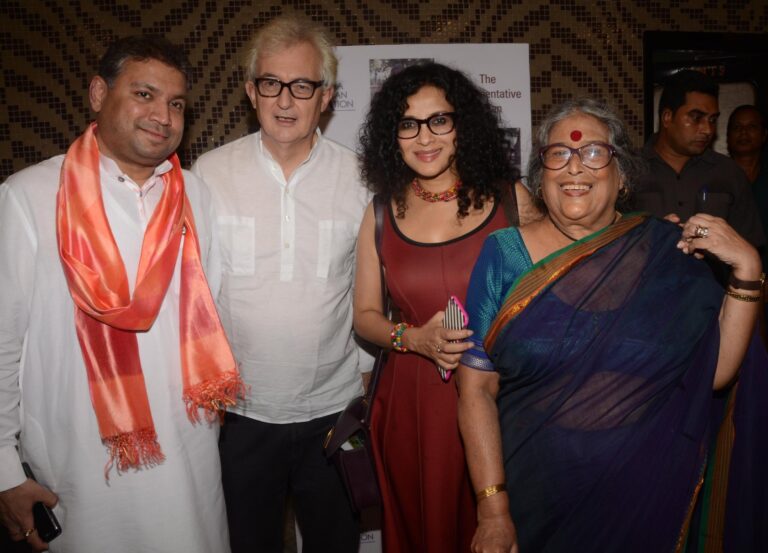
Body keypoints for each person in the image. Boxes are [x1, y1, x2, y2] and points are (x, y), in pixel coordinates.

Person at [457, 98, 768, 553]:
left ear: (621, 173)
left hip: (643, 493)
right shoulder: (505, 255)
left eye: (594, 152)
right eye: (558, 153)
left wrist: (747, 266)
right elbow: (475, 389)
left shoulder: (667, 254)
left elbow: (715, 372)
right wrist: (492, 509)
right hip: (535, 489)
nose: (574, 167)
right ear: (541, 175)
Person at [0, 36, 242, 553]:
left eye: (176, 104)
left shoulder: (195, 194)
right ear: (97, 94)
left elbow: (214, 313)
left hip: (190, 456)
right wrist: (3, 471)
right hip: (82, 468)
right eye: (145, 94)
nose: (163, 115)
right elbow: (2, 342)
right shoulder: (29, 197)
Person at [191, 15, 370, 553]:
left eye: (302, 86)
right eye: (271, 83)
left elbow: (369, 289)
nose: (286, 100)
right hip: (240, 416)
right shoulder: (209, 174)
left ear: (327, 96)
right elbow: (194, 292)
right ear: (251, 91)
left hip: (334, 412)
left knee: (336, 544)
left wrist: (365, 377)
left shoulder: (362, 178)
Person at [353, 62, 537, 553]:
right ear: (393, 136)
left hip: (502, 399)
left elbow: (555, 287)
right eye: (408, 124)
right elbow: (365, 316)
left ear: (463, 126)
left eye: (440, 120)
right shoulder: (379, 213)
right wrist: (411, 338)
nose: (424, 136)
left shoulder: (511, 201)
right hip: (411, 404)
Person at [633, 70, 764, 283]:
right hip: (643, 305)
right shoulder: (628, 171)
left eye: (712, 120)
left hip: (714, 306)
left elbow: (751, 250)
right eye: (696, 118)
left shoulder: (729, 174)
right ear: (667, 117)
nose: (707, 129)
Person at [727, 104, 768, 269]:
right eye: (737, 127)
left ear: (764, 135)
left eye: (751, 126)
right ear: (727, 135)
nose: (743, 132)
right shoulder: (714, 178)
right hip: (726, 277)